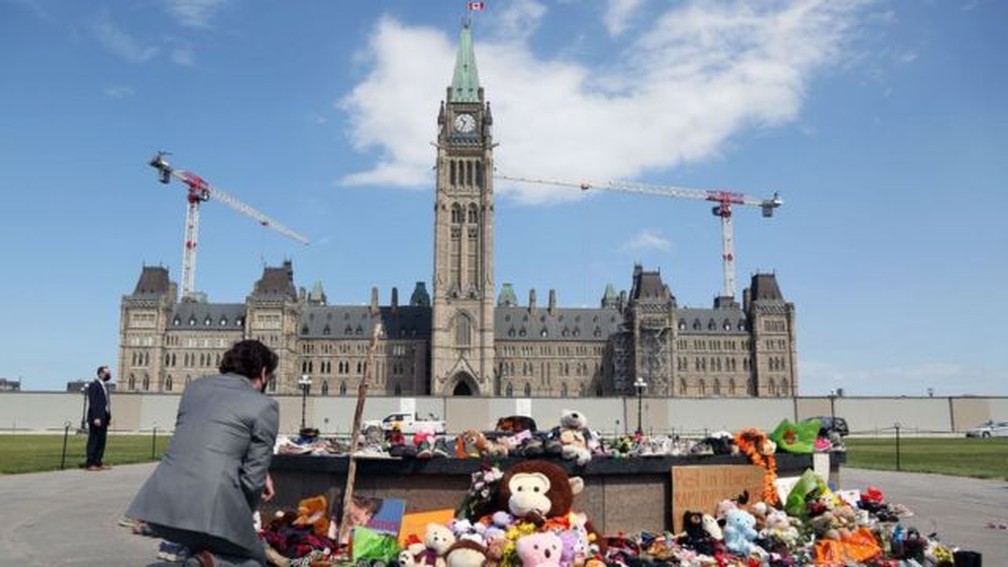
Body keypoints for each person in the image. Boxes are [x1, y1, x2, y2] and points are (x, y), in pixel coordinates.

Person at [127, 339, 280, 567]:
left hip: (163, 507)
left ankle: (200, 560)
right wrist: (242, 519)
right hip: (211, 508)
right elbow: (253, 479)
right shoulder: (264, 405)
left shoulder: (194, 389)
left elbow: (206, 441)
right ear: (264, 372)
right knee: (255, 560)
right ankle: (208, 562)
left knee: (202, 544)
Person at [85, 365, 113, 471]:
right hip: (96, 418)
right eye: (107, 373)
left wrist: (108, 418)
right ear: (101, 373)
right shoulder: (94, 385)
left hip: (104, 417)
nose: (108, 375)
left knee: (102, 441)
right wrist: (96, 417)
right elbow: (94, 403)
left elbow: (106, 403)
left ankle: (98, 462)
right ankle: (90, 463)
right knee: (94, 440)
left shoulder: (105, 386)